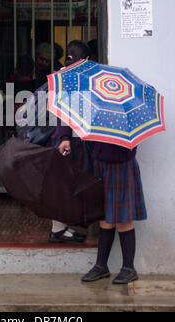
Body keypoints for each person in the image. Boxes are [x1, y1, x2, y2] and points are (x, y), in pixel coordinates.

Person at [48, 40, 94, 243]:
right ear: (86, 59)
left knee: (63, 183)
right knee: (66, 184)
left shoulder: (60, 76)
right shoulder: (71, 78)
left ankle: (61, 226)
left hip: (62, 138)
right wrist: (65, 137)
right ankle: (59, 229)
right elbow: (65, 112)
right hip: (68, 140)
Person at [80, 142, 147, 284]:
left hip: (122, 163)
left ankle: (129, 268)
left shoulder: (128, 120)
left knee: (123, 218)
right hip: (100, 163)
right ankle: (101, 266)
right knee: (104, 218)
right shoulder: (98, 119)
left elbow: (131, 143)